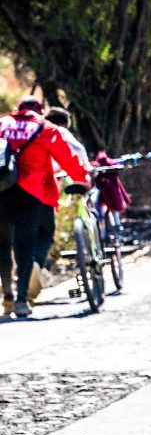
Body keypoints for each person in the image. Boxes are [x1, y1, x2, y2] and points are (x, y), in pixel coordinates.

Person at [0, 97, 88, 318]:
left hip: (1, 190)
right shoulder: (45, 128)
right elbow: (66, 156)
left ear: (18, 109)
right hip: (30, 193)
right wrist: (82, 178)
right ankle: (21, 301)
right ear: (40, 111)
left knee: (2, 244)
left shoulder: (2, 123)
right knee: (25, 246)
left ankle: (7, 296)